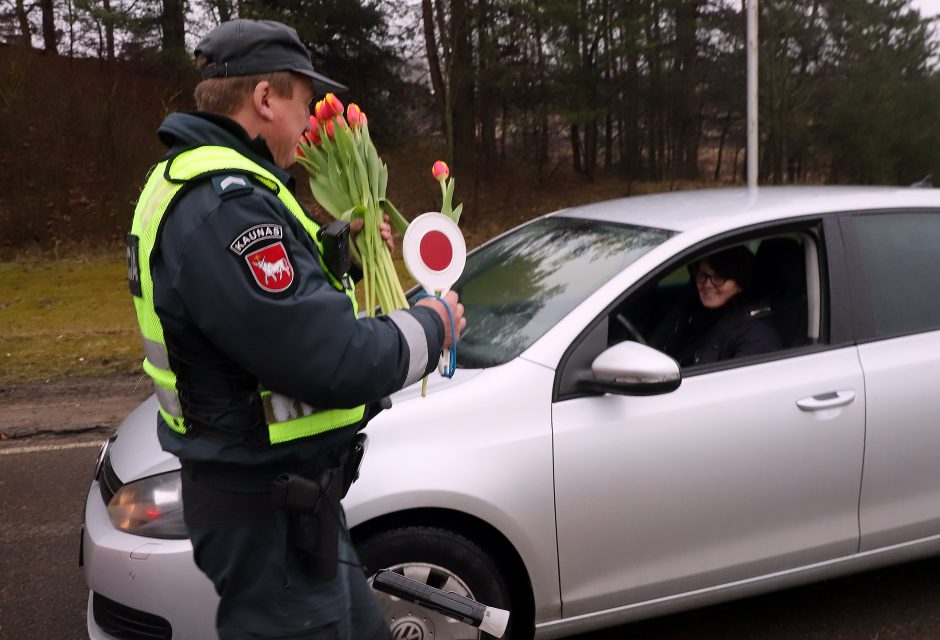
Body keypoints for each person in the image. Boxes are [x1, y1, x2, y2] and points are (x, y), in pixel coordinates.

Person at [125, 18, 465, 640]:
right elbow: (330, 360)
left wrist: (347, 250)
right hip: (266, 511)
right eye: (304, 105)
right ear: (263, 101)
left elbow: (262, 308)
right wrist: (432, 325)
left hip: (291, 503)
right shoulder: (226, 205)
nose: (310, 125)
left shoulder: (212, 186)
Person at [664, 245, 781, 366]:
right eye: (703, 276)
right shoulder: (698, 316)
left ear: (740, 283)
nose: (707, 284)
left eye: (719, 278)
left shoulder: (758, 336)